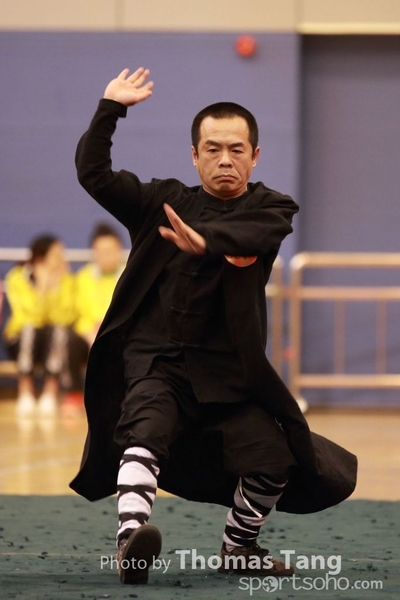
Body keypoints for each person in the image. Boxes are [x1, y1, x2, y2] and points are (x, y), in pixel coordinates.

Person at [70, 67, 357, 585]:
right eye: (213, 149)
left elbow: (255, 232)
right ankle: (130, 540)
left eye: (236, 149)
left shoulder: (272, 207)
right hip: (158, 362)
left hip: (229, 375)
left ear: (255, 155)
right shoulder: (161, 203)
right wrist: (110, 108)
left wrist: (207, 241)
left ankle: (238, 547)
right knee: (143, 433)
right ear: (194, 155)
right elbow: (94, 174)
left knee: (275, 458)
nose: (225, 158)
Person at [3, 234, 78, 416]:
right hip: (20, 339)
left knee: (59, 330)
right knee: (29, 329)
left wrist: (54, 289)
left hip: (51, 340)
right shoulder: (17, 278)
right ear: (40, 258)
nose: (62, 259)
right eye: (57, 255)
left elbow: (65, 317)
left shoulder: (67, 280)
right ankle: (25, 390)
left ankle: (50, 391)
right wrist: (42, 289)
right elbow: (27, 317)